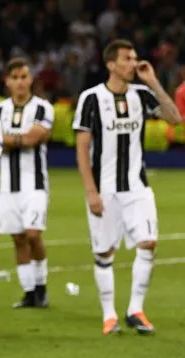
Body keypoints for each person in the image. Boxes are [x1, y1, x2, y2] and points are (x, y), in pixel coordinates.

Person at [73, 39, 181, 335]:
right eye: (128, 58)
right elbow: (82, 147)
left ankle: (136, 309)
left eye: (135, 57)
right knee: (105, 253)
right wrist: (90, 191)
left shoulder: (142, 95)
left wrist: (154, 82)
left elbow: (175, 118)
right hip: (104, 189)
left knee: (149, 243)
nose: (134, 63)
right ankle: (109, 316)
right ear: (111, 64)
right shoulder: (91, 99)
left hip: (137, 187)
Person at [0, 58, 55, 308]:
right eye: (14, 77)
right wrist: (19, 139)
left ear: (31, 79)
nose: (19, 82)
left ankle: (41, 286)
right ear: (7, 81)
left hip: (35, 184)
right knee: (18, 238)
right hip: (7, 186)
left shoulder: (42, 107)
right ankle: (29, 292)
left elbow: (34, 138)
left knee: (33, 234)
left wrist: (8, 139)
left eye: (24, 77)